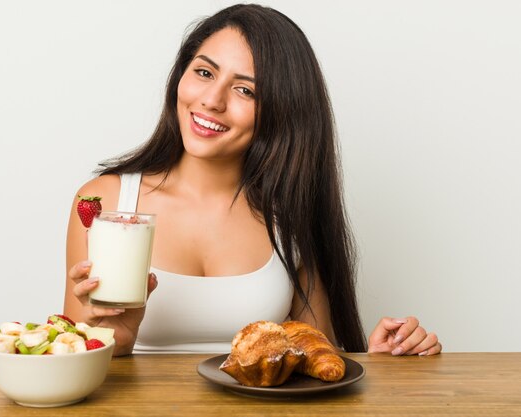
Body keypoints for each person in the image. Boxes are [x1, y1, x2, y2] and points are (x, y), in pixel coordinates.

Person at [64, 4, 441, 357]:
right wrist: (116, 344)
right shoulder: (101, 202)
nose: (212, 99)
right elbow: (67, 356)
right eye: (204, 72)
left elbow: (319, 360)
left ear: (281, 112)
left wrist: (380, 361)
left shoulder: (288, 216)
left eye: (245, 90)